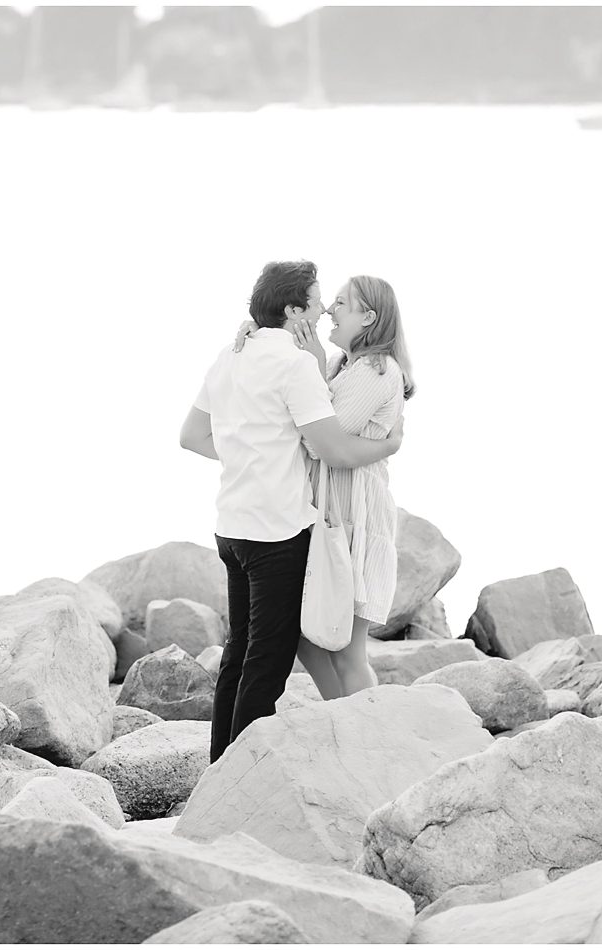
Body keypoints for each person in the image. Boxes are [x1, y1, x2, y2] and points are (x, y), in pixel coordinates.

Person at [179, 260, 403, 761]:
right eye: (320, 299)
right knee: (266, 664)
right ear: (294, 308)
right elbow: (333, 449)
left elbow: (191, 436)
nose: (325, 308)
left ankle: (222, 771)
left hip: (232, 528)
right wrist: (390, 446)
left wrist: (246, 451)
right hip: (278, 531)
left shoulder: (231, 354)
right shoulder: (299, 363)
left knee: (240, 656)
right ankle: (239, 780)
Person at [235, 275, 410, 702]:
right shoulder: (340, 365)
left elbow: (319, 438)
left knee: (346, 649)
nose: (330, 310)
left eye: (342, 303)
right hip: (327, 515)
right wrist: (255, 330)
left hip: (353, 519)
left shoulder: (377, 369)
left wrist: (311, 363)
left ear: (369, 317)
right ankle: (344, 720)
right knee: (307, 639)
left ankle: (363, 736)